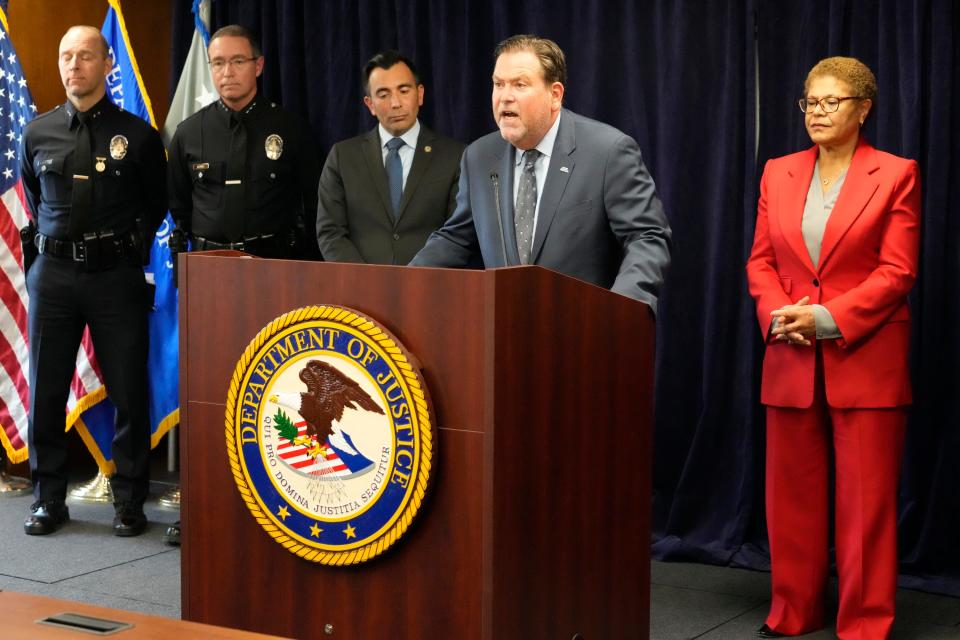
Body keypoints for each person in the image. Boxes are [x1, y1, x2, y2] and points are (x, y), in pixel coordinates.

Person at [746, 57, 920, 639]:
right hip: (789, 352)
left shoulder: (896, 174)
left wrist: (825, 318)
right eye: (809, 103)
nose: (816, 113)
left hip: (865, 357)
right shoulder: (778, 172)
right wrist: (779, 315)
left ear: (863, 109)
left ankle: (866, 621)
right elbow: (761, 261)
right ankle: (792, 611)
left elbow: (897, 273)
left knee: (865, 505)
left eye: (831, 102)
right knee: (789, 498)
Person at [20, 26, 166, 536]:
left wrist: (123, 251)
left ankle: (129, 501)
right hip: (54, 274)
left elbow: (156, 205)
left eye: (85, 55)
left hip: (114, 276)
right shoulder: (38, 132)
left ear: (108, 64)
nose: (73, 65)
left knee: (128, 388)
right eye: (66, 56)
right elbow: (36, 201)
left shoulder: (139, 135)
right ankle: (48, 499)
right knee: (46, 389)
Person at [409, 35, 671, 312]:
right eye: (498, 84)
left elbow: (647, 237)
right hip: (504, 332)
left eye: (520, 85)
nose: (505, 96)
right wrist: (402, 284)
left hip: (584, 330)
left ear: (555, 95)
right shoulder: (479, 156)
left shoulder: (607, 151)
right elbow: (457, 238)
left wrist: (620, 309)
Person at [168, 25, 320, 259]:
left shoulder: (291, 130)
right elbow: (179, 206)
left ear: (258, 66)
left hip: (274, 262)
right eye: (218, 63)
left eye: (238, 61)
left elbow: (313, 203)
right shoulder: (188, 133)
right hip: (207, 264)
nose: (227, 72)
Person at [316, 50, 464, 264]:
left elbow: (457, 233)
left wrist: (414, 278)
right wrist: (366, 281)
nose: (395, 103)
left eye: (404, 91)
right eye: (383, 95)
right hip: (360, 291)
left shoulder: (455, 156)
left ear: (420, 94)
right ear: (370, 104)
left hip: (430, 287)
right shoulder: (343, 157)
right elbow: (330, 233)